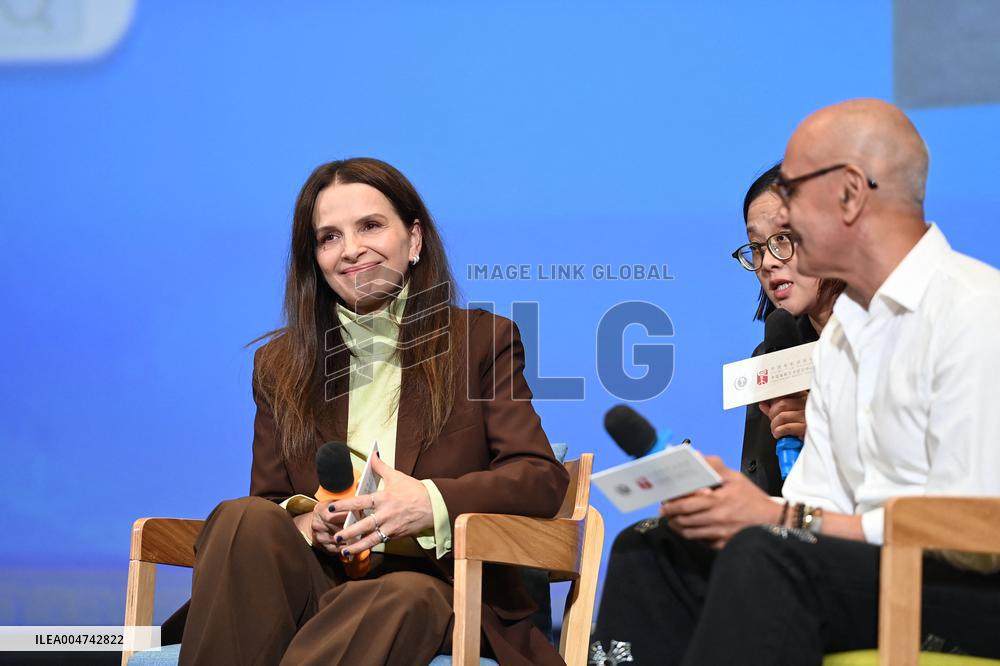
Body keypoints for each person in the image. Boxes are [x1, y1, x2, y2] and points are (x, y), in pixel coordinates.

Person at [177, 158, 569, 665]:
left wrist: (428, 502)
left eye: (370, 226)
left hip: (435, 590)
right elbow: (270, 504)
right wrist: (307, 522)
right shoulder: (279, 364)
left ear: (414, 240)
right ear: (314, 259)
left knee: (399, 595)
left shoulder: (480, 341)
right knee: (241, 518)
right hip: (318, 586)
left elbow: (540, 478)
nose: (351, 249)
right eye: (329, 237)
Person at [658, 99, 1000, 664]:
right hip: (866, 572)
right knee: (657, 551)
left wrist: (777, 519)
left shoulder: (973, 309)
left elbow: (972, 533)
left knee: (765, 559)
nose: (776, 236)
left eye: (791, 192)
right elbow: (807, 505)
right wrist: (733, 509)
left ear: (848, 194)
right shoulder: (844, 338)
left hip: (964, 589)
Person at [590, 163, 842, 664]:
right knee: (646, 545)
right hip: (783, 531)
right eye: (757, 246)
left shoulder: (884, 338)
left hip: (860, 544)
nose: (769, 262)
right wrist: (712, 503)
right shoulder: (772, 355)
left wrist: (832, 428)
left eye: (784, 240)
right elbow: (767, 486)